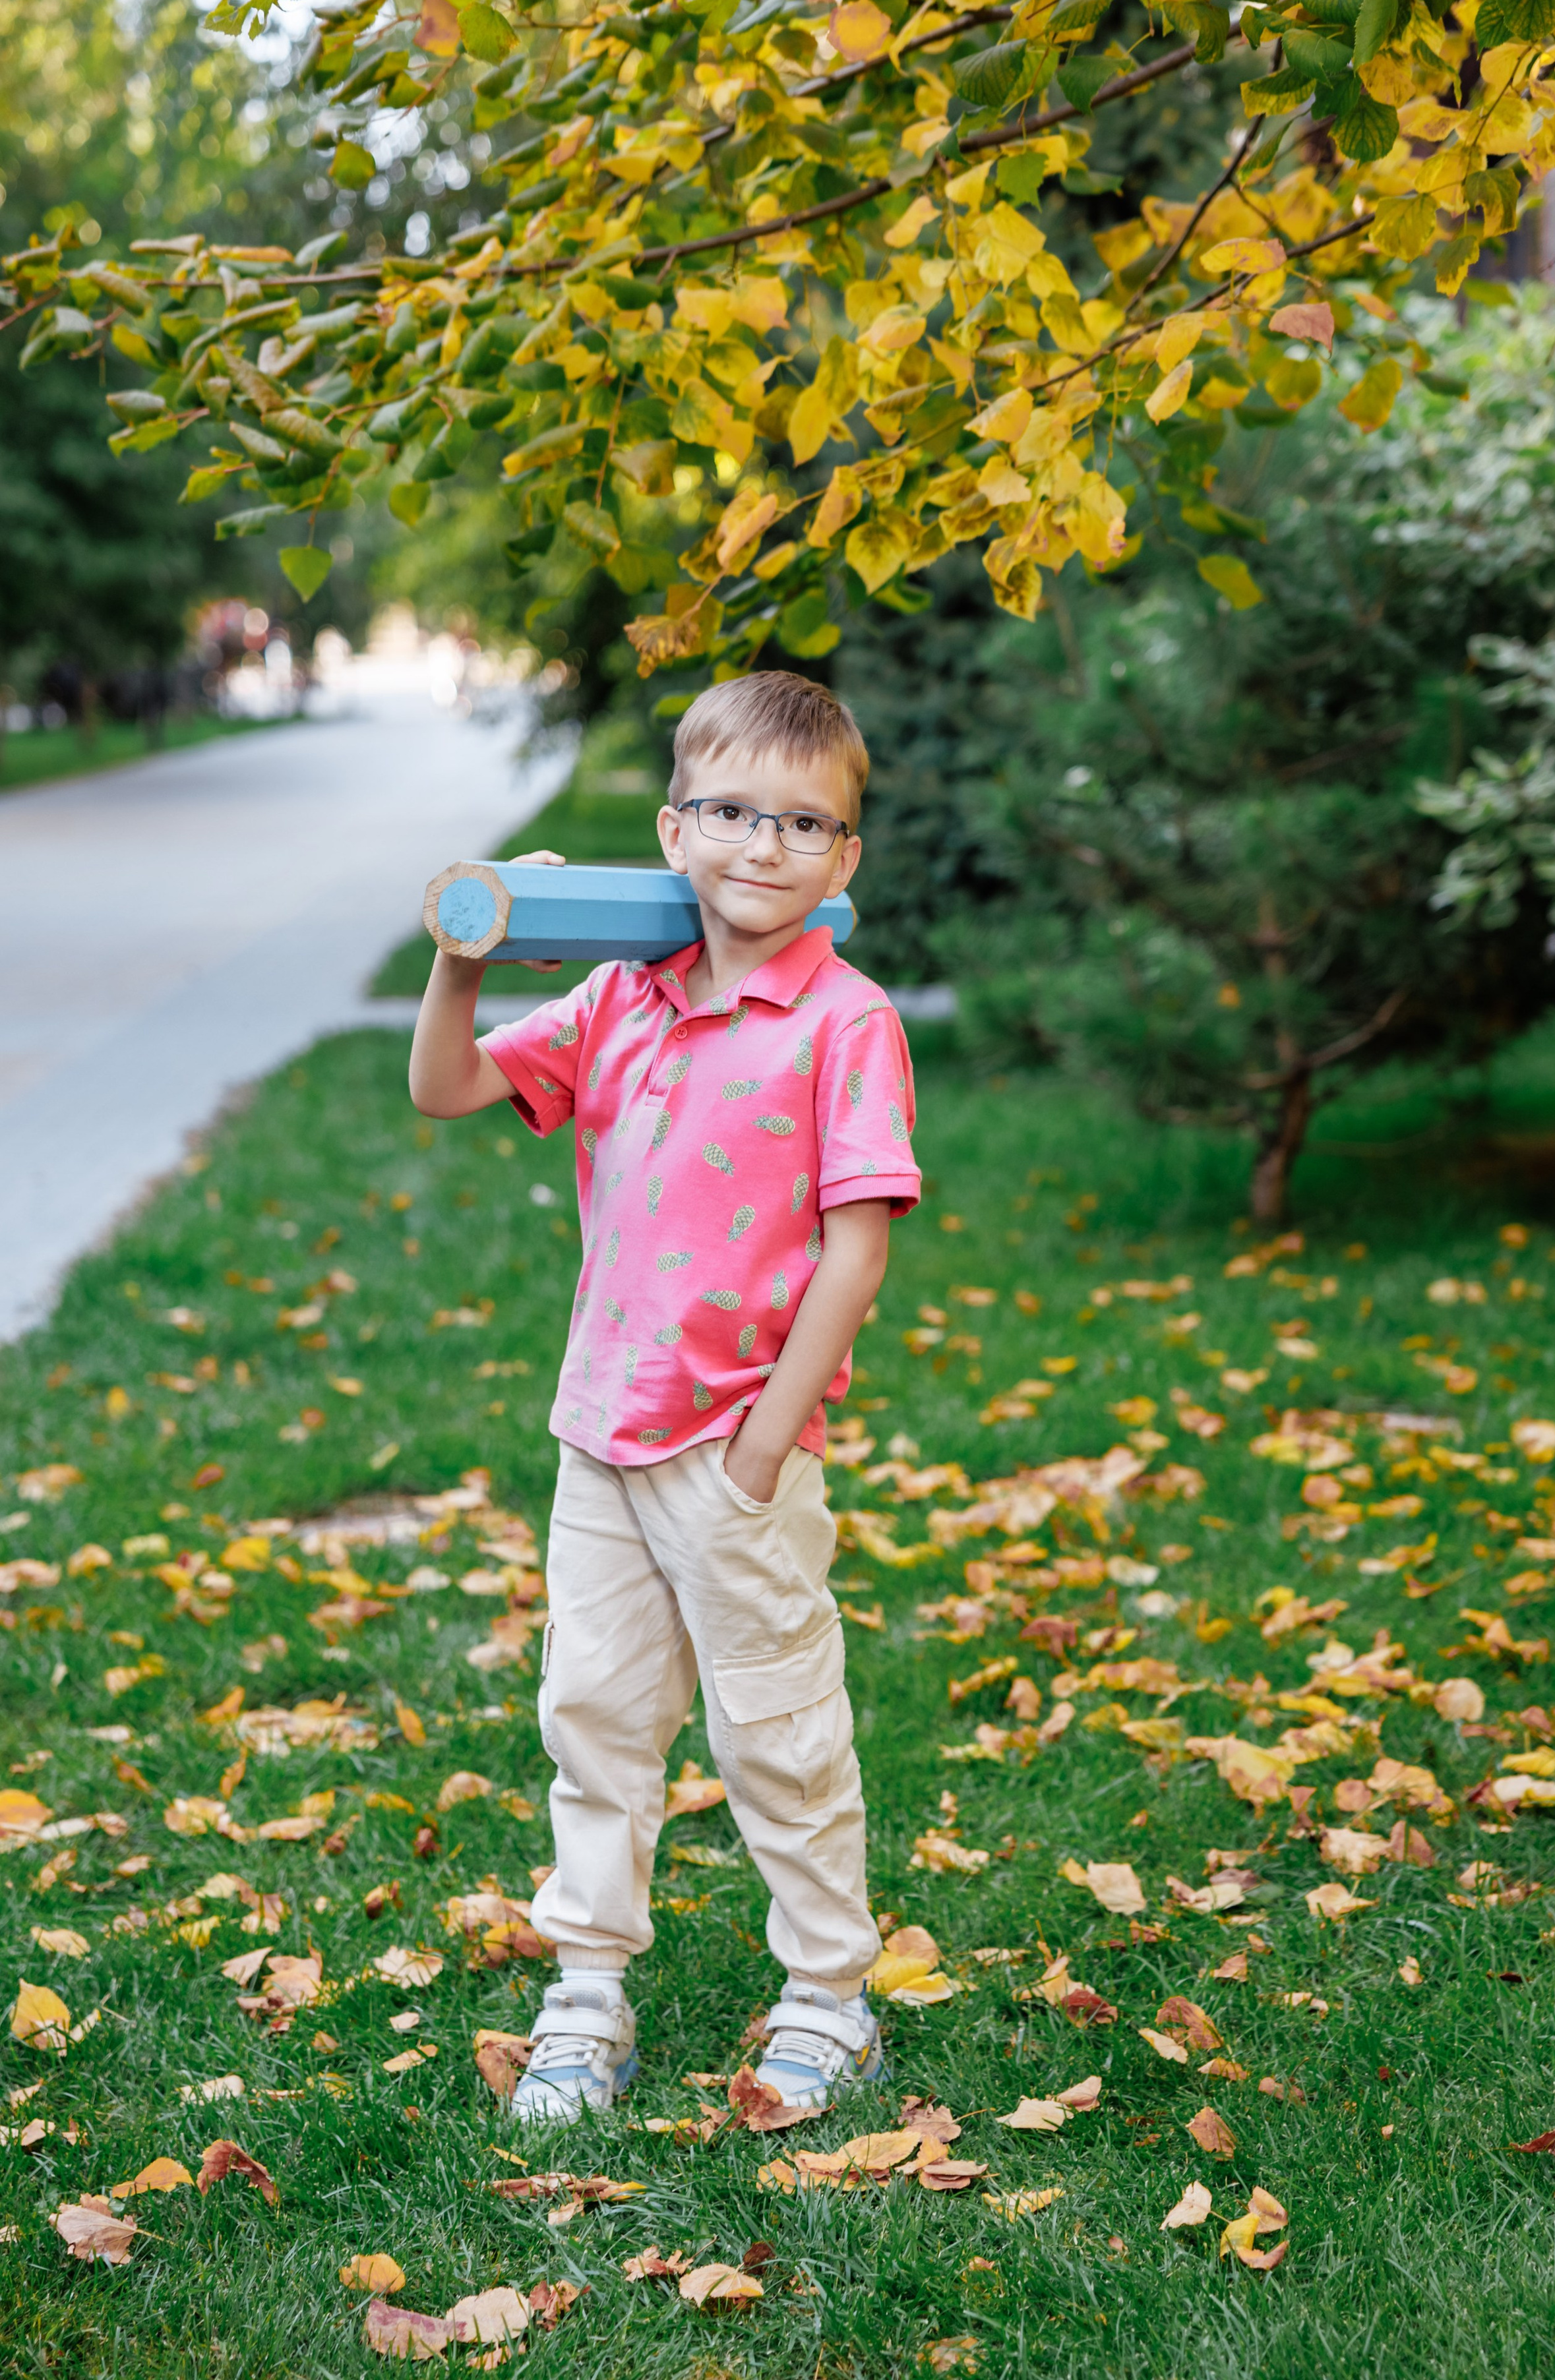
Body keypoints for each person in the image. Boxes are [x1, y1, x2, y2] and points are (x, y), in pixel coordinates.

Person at [409, 670, 921, 2123]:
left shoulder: (844, 1019)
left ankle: (827, 1993)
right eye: (732, 812)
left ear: (843, 857)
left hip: (732, 1449)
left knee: (776, 1725)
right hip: (601, 1437)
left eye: (801, 823)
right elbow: (444, 1088)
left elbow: (854, 1246)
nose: (762, 845)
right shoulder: (613, 998)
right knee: (594, 1715)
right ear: (672, 826)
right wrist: (471, 944)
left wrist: (765, 1444)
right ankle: (584, 1993)